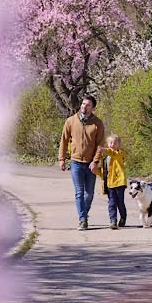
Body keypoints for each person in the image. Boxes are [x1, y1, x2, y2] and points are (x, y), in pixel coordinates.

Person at [58, 95, 104, 230]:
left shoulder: (97, 123)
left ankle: (83, 213)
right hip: (76, 162)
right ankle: (82, 220)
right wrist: (62, 159)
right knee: (79, 192)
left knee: (89, 194)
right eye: (83, 104)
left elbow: (100, 145)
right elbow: (64, 140)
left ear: (93, 108)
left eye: (88, 105)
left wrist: (95, 161)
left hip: (91, 164)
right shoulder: (71, 121)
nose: (84, 107)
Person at [96, 134, 127, 230]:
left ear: (119, 145)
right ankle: (113, 220)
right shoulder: (105, 159)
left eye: (115, 143)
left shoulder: (120, 154)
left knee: (120, 202)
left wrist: (104, 150)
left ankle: (123, 217)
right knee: (112, 203)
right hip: (109, 184)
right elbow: (103, 172)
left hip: (119, 182)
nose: (112, 144)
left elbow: (113, 153)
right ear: (107, 143)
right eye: (110, 143)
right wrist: (95, 171)